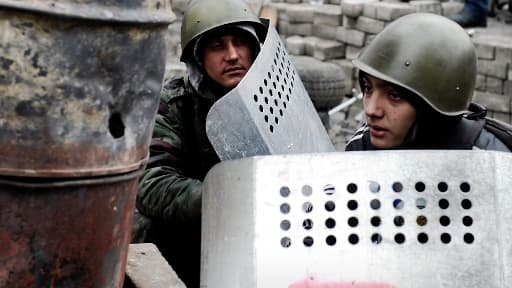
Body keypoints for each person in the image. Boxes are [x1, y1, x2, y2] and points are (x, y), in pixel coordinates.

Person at [133, 0, 267, 287]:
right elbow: (152, 183)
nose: (232, 55)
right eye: (218, 45)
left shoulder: (273, 98)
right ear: (199, 57)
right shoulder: (174, 105)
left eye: (240, 43)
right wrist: (226, 197)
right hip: (195, 234)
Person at [346, 13, 511, 152]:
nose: (371, 110)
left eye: (395, 96)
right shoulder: (362, 147)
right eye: (368, 88)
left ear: (433, 111)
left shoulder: (493, 161)